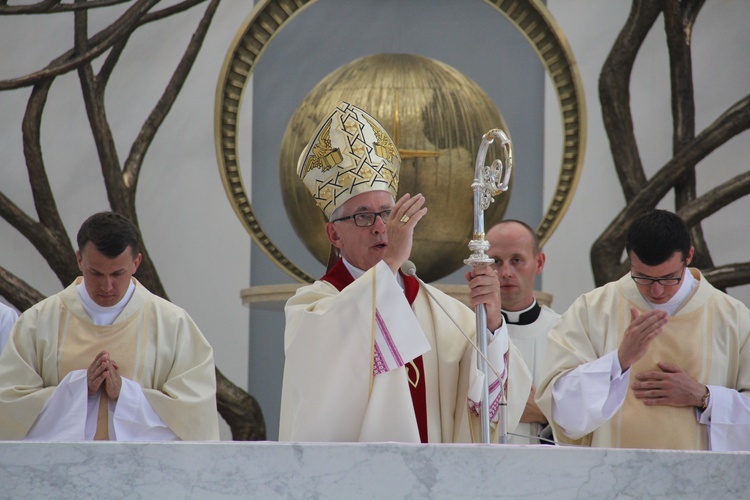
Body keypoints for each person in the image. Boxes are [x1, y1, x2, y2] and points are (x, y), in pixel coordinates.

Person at [279, 101, 531, 443]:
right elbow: (322, 394)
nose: (382, 228)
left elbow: (485, 402)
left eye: (387, 212)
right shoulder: (313, 308)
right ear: (333, 234)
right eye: (363, 216)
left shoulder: (442, 311)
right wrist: (389, 264)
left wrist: (489, 326)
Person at [536, 209, 750, 451]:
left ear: (689, 256)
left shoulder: (733, 317)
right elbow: (561, 407)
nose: (656, 291)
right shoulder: (592, 309)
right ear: (631, 260)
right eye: (643, 277)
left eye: (669, 278)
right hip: (612, 478)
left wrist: (704, 396)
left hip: (699, 482)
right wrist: (619, 361)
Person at [0, 212, 219, 441]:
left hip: (144, 473)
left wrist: (125, 395)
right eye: (95, 273)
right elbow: (8, 408)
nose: (106, 286)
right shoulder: (38, 322)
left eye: (117, 273)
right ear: (79, 260)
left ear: (136, 263)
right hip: (59, 471)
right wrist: (79, 389)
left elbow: (195, 416)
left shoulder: (173, 325)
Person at [486, 220, 559, 444]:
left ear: (539, 263)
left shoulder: (565, 333)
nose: (506, 272)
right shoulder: (466, 333)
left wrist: (545, 414)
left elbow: (591, 418)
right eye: (496, 262)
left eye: (517, 260)